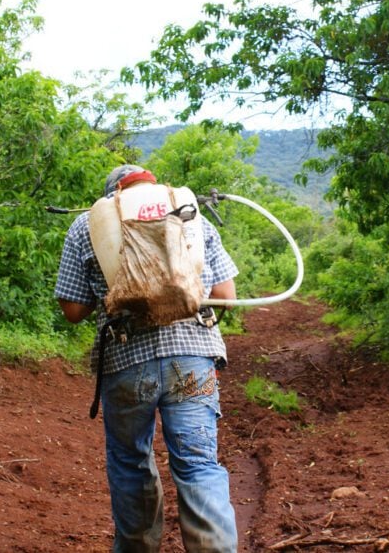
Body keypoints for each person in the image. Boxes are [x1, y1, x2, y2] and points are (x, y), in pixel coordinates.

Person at [55, 164, 240, 552]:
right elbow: (226, 295)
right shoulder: (190, 213)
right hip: (192, 360)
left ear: (112, 195)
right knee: (198, 464)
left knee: (130, 462)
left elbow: (73, 311)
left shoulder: (88, 225)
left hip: (126, 361)